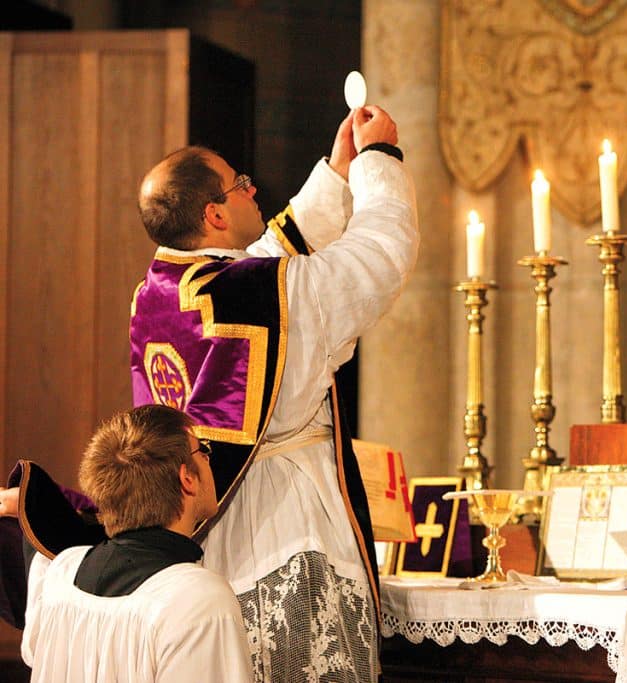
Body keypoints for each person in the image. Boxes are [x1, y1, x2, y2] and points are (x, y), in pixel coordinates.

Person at [129, 104, 418, 681]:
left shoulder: (161, 291)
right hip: (289, 526)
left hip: (208, 528)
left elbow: (264, 266)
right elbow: (378, 258)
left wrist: (338, 171)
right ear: (214, 214)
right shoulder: (262, 292)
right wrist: (381, 162)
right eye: (239, 185)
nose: (251, 187)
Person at [21, 405, 251, 682]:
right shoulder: (197, 599)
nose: (208, 459)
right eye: (203, 451)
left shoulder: (62, 574)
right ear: (186, 478)